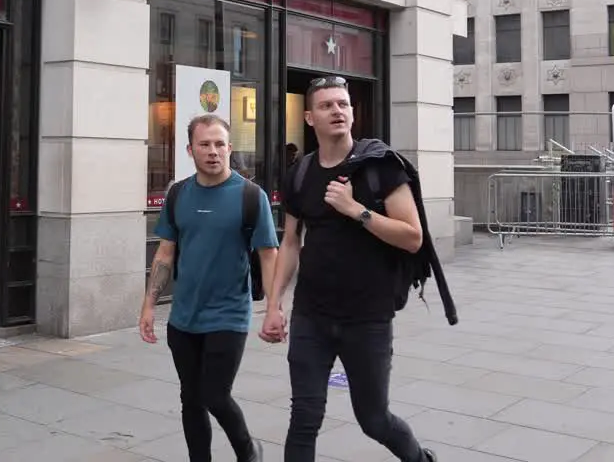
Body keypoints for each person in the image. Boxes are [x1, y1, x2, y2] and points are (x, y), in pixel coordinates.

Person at [261, 76, 438, 462]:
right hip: (312, 316)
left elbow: (412, 237)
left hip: (367, 319)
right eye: (326, 106)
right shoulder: (300, 173)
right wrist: (273, 305)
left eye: (343, 104)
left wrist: (356, 210)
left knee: (374, 420)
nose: (337, 111)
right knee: (304, 417)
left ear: (353, 112)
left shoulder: (380, 167)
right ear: (309, 118)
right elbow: (290, 242)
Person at [140, 113, 279, 462]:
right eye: (205, 144)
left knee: (215, 395)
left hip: (229, 315)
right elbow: (166, 253)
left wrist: (274, 308)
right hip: (184, 317)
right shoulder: (178, 195)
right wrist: (148, 305)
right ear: (191, 150)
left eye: (220, 144)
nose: (213, 151)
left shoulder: (251, 196)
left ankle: (248, 452)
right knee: (191, 398)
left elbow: (268, 253)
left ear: (230, 148)